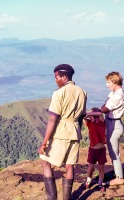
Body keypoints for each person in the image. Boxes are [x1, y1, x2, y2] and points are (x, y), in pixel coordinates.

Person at [38, 64, 87, 200]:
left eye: (57, 77)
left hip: (60, 133)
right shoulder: (82, 92)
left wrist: (44, 142)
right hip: (75, 132)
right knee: (69, 167)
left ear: (64, 77)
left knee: (46, 162)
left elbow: (53, 119)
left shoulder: (59, 93)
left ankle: (52, 198)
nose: (56, 80)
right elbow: (82, 116)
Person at [100, 71, 124, 186]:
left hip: (114, 125)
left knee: (114, 152)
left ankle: (119, 178)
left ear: (115, 82)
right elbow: (104, 106)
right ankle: (117, 173)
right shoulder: (113, 93)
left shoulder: (119, 95)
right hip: (110, 123)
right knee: (112, 151)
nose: (107, 85)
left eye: (108, 82)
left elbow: (105, 108)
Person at [83, 107, 107, 192]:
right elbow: (84, 117)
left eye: (96, 115)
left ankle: (100, 184)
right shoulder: (89, 123)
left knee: (101, 168)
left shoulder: (102, 122)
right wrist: (90, 115)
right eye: (94, 115)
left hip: (101, 150)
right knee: (90, 168)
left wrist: (90, 114)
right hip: (92, 150)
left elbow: (100, 114)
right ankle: (88, 181)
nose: (96, 117)